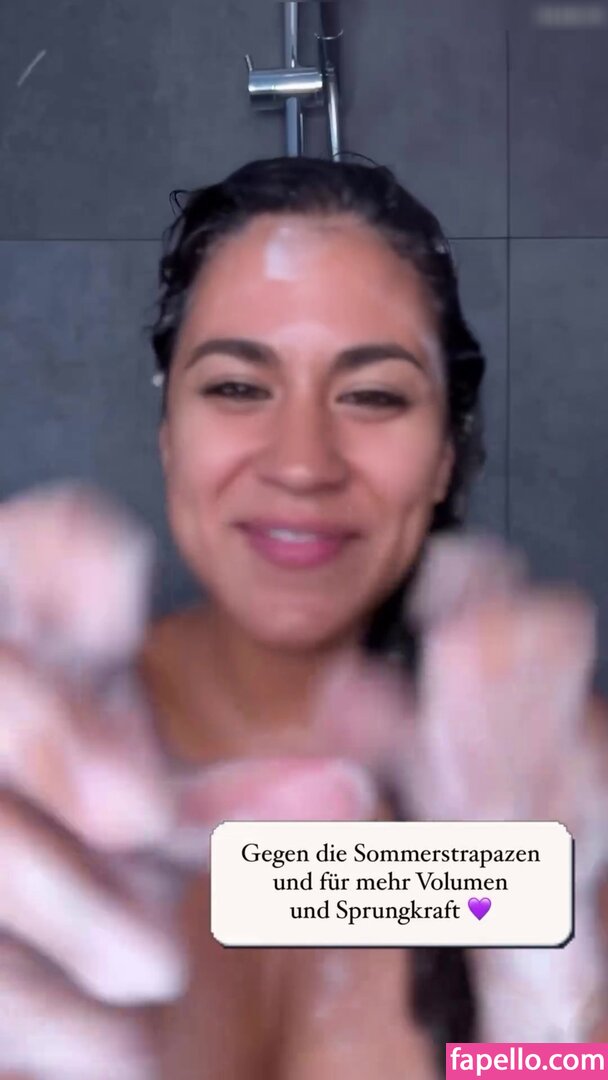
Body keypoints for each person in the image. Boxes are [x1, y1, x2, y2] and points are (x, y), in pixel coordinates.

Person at [0, 156, 606, 1079]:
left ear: (444, 456)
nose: (301, 463)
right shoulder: (37, 765)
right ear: (170, 436)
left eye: (374, 395)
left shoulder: (560, 778)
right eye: (238, 387)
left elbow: (559, 1056)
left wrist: (539, 976)